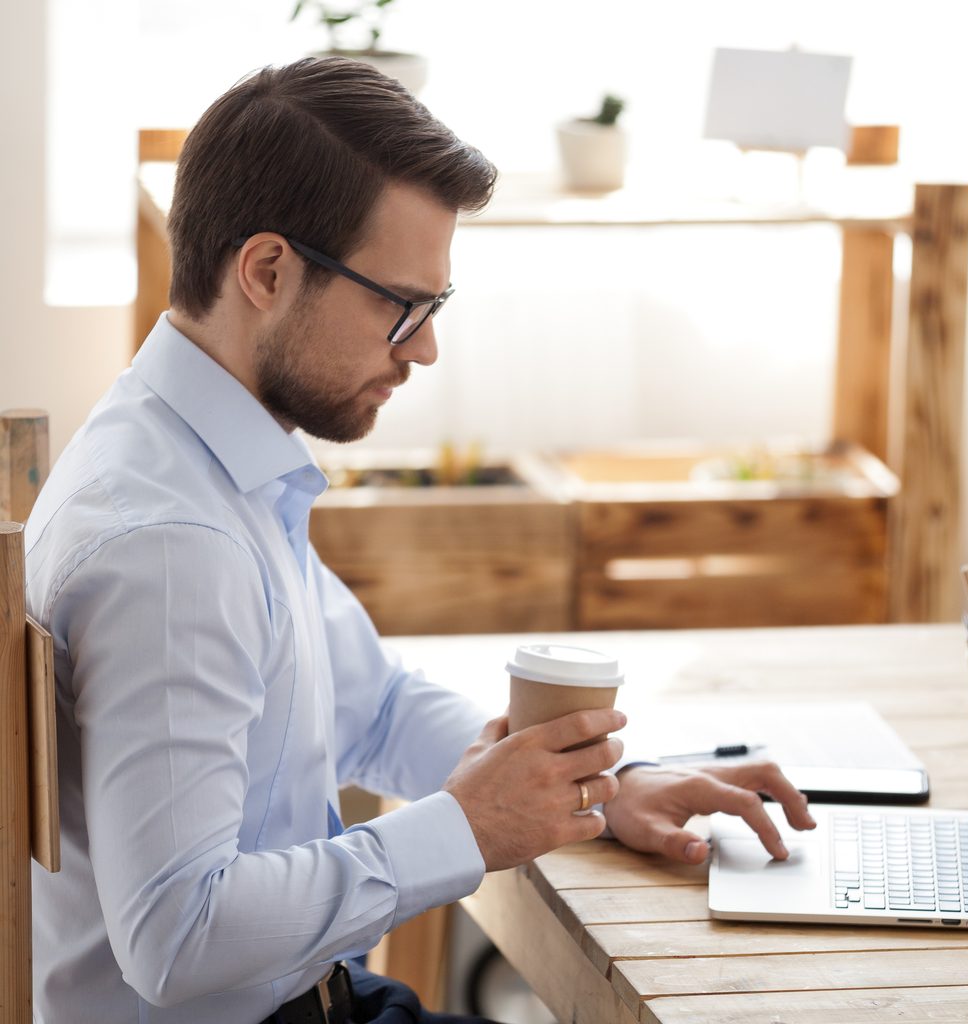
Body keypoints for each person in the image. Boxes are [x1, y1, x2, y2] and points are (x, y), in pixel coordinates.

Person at [26, 57, 816, 1024]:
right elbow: (177, 933)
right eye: (400, 304)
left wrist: (604, 788)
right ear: (267, 271)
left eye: (434, 309)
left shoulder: (199, 457)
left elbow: (378, 706)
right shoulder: (173, 545)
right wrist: (465, 829)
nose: (425, 348)